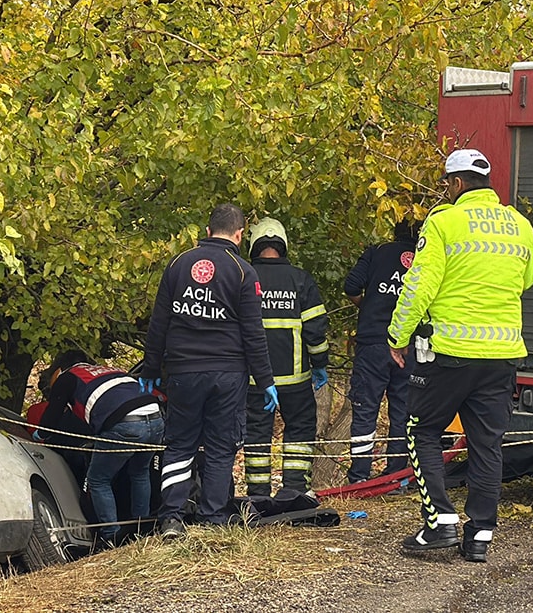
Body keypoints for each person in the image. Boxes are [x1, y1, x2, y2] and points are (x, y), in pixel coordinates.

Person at [388, 149, 533, 563]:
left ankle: (439, 522)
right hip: (503, 354)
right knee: (487, 444)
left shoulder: (444, 222)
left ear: (455, 184)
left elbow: (419, 286)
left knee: (422, 430)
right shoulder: (519, 225)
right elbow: (529, 278)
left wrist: (398, 336)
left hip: (450, 354)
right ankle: (480, 536)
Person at [141, 203, 275, 539]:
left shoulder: (177, 264)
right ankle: (213, 517)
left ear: (207, 230)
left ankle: (171, 517)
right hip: (228, 374)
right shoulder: (243, 272)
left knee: (179, 444)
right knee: (220, 445)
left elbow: (159, 322)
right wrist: (266, 380)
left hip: (183, 371)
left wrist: (151, 365)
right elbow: (253, 333)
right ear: (240, 235)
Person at [36, 350, 164, 548]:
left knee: (98, 479)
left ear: (58, 371)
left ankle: (111, 535)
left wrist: (40, 435)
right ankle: (142, 526)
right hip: (155, 418)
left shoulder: (67, 377)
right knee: (140, 472)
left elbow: (51, 417)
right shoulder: (109, 371)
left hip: (125, 423)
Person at [242, 218, 329, 498]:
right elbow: (315, 330)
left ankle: (257, 494)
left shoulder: (244, 277)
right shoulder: (300, 279)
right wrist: (320, 365)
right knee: (300, 430)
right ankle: (294, 489)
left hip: (255, 379)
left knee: (256, 435)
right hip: (296, 381)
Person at [343, 219, 422, 489]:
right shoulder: (425, 257)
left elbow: (351, 286)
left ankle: (360, 477)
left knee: (366, 410)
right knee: (403, 411)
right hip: (408, 347)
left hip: (373, 344)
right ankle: (397, 476)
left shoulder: (377, 252)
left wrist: (368, 307)